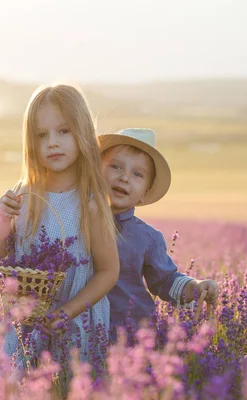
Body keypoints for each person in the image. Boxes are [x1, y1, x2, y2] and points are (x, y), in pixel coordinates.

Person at [0, 84, 119, 376]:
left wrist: (66, 313)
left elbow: (109, 271)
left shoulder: (89, 204)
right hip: (24, 322)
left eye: (63, 131)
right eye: (41, 135)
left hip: (74, 323)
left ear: (82, 132)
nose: (52, 143)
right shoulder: (25, 194)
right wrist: (2, 219)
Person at [98, 128, 220, 341]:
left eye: (137, 174)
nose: (124, 177)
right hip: (82, 332)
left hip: (132, 332)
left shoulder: (147, 237)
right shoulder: (75, 223)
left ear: (145, 192)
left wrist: (194, 287)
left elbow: (164, 280)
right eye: (115, 166)